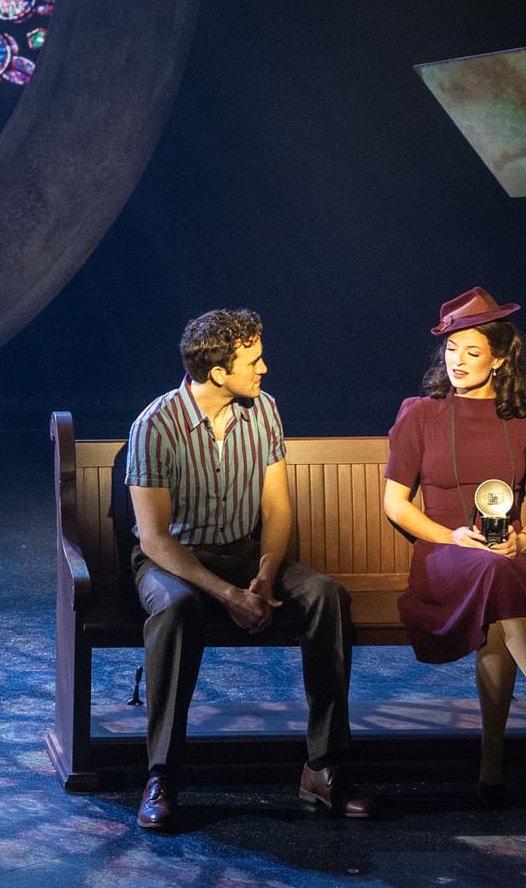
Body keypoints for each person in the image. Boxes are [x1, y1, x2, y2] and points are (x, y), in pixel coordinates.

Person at [123, 308, 376, 832]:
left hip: (244, 553)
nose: (265, 368)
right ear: (218, 372)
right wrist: (229, 595)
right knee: (175, 608)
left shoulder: (264, 410)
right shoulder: (156, 425)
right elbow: (155, 539)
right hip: (175, 561)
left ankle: (323, 767)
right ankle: (161, 774)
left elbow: (277, 509)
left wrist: (263, 574)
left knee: (326, 595)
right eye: (253, 360)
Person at [381, 286, 526, 807]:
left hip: (507, 555)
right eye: (451, 349)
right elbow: (395, 503)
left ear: (499, 359)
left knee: (499, 609)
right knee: (493, 580)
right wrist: (451, 536)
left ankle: (491, 769)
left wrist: (523, 538)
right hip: (443, 555)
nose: (456, 361)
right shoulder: (419, 415)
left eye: (471, 351)